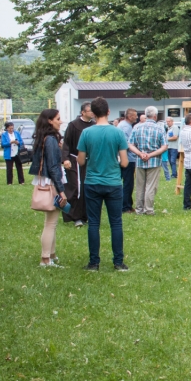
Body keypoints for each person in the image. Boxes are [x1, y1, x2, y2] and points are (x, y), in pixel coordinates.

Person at [77, 97, 130, 271]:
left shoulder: (86, 133)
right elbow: (124, 162)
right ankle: (118, 262)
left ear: (92, 113)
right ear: (108, 112)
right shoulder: (117, 133)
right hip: (113, 182)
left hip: (92, 182)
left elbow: (81, 160)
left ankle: (94, 263)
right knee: (116, 223)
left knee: (93, 223)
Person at [29, 110, 68, 267]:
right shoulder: (50, 139)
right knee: (50, 224)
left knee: (50, 222)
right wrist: (61, 190)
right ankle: (46, 258)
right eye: (58, 119)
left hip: (47, 181)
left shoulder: (45, 138)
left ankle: (51, 255)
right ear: (50, 121)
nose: (61, 121)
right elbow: (53, 167)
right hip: (51, 183)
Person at [128, 106, 167, 216]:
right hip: (154, 160)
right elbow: (164, 146)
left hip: (140, 160)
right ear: (155, 116)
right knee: (151, 186)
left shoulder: (137, 127)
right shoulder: (159, 128)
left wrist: (140, 153)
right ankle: (148, 209)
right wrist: (150, 154)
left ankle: (139, 209)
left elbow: (130, 144)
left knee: (140, 185)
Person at [61, 102, 95, 226]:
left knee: (88, 188)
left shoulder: (94, 125)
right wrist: (65, 159)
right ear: (83, 112)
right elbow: (66, 144)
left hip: (89, 161)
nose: (92, 113)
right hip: (75, 160)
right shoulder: (73, 125)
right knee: (76, 187)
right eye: (90, 110)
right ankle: (75, 216)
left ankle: (86, 215)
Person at [117, 108, 138, 213]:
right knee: (128, 183)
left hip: (121, 157)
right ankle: (126, 206)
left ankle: (126, 204)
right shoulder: (127, 127)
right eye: (135, 115)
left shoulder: (122, 125)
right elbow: (127, 144)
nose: (137, 117)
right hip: (127, 159)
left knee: (123, 182)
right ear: (129, 116)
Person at [0, 121, 26, 185]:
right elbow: (3, 144)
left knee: (19, 167)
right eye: (10, 128)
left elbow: (21, 141)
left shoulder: (17, 133)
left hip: (17, 153)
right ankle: (9, 182)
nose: (12, 130)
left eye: (12, 128)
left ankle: (21, 181)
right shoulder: (4, 134)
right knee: (9, 168)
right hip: (9, 154)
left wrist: (18, 142)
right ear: (7, 128)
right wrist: (10, 142)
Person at [163, 117, 180, 181]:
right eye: (167, 121)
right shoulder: (168, 128)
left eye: (169, 121)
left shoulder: (175, 127)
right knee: (170, 161)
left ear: (172, 121)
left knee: (173, 161)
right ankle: (174, 173)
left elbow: (175, 137)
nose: (167, 123)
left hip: (174, 147)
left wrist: (166, 139)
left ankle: (174, 174)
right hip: (169, 147)